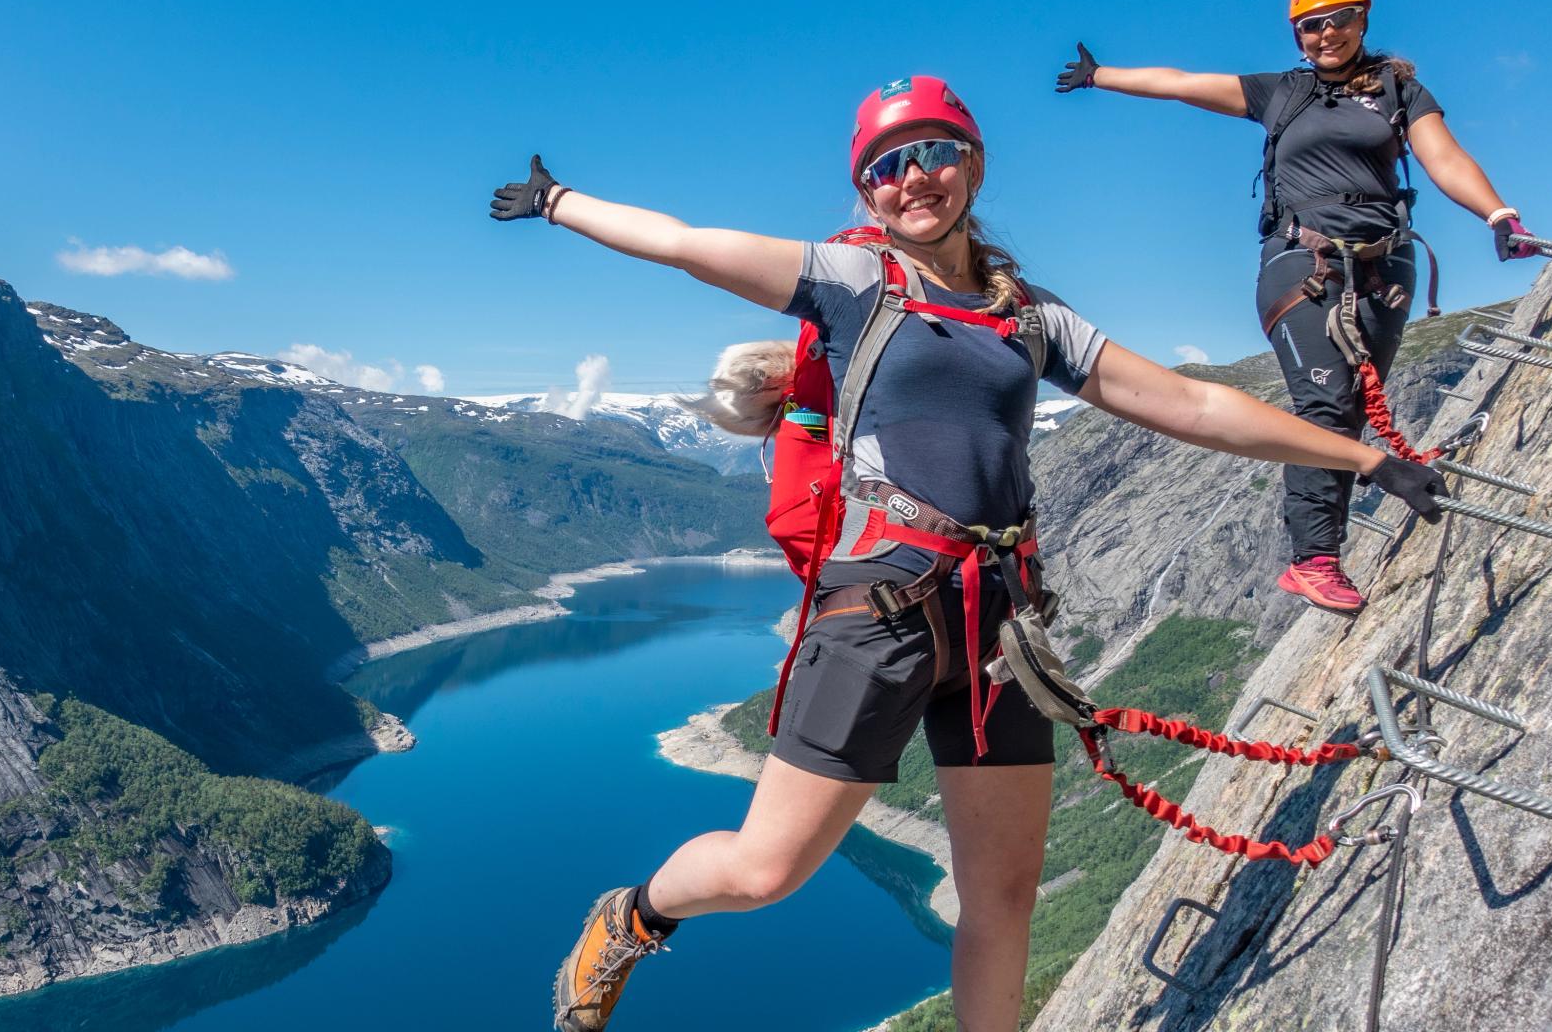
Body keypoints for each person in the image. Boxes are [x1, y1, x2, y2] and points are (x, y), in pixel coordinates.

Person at [490, 74, 1447, 1032]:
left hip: (1001, 624)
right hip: (881, 612)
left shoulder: (1031, 315)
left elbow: (1191, 404)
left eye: (933, 152)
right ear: (867, 192)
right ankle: (631, 917)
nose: (914, 178)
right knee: (763, 870)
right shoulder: (853, 282)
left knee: (1002, 902)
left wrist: (1366, 457)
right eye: (888, 166)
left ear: (972, 163)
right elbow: (690, 247)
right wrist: (560, 203)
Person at [1053, 0, 1537, 615]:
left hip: (1384, 267)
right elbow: (1182, 85)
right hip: (1300, 263)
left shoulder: (1399, 93)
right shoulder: (1282, 92)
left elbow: (1443, 157)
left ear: (1363, 17)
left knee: (1352, 409)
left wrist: (1497, 213)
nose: (1326, 34)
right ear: (1297, 34)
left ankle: (1323, 555)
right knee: (1324, 403)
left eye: (1339, 19)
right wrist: (1101, 76)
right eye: (1311, 26)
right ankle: (1313, 560)